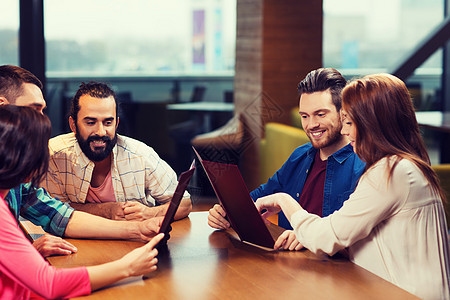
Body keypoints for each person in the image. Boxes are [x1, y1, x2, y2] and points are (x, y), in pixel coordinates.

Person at [255, 74, 450, 299]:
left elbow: (326, 237)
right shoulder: (405, 166)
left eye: (349, 122)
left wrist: (283, 200)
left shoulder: (391, 173)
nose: (345, 131)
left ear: (373, 124)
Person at [0, 105, 165, 299]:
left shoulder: (17, 189)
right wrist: (127, 267)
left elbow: (61, 216)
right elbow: (49, 283)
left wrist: (138, 229)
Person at [0, 65, 162, 258]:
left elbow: (59, 216)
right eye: (34, 110)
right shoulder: (51, 154)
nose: (42, 119)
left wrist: (137, 229)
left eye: (42, 110)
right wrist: (29, 255)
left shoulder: (17, 178)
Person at [208, 68, 365, 250]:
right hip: (285, 263)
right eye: (304, 116)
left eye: (320, 114)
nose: (311, 125)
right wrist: (226, 212)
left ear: (343, 113)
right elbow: (259, 197)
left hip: (333, 271)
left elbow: (351, 234)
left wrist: (308, 237)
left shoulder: (362, 165)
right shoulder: (299, 155)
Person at [42, 81, 192, 221]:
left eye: (108, 122)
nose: (101, 132)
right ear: (73, 125)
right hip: (74, 244)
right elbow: (54, 211)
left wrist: (149, 212)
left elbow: (184, 203)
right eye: (90, 122)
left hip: (135, 242)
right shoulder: (54, 155)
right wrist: (106, 210)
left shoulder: (140, 155)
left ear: (117, 123)